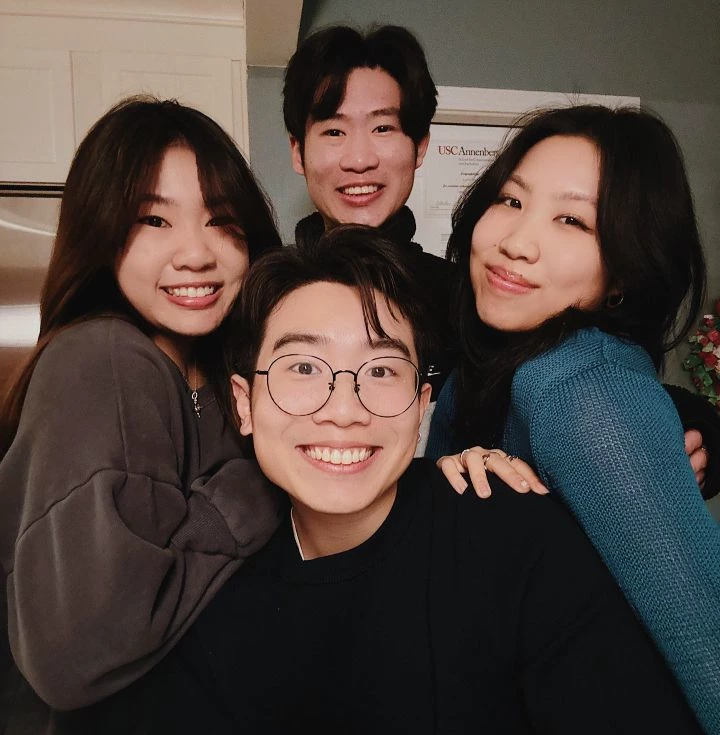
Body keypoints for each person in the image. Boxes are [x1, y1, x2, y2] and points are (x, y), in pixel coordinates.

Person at [51, 226, 703, 734]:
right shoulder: (210, 583)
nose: (344, 409)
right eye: (303, 368)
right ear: (245, 404)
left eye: (381, 371)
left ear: (421, 407)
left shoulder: (512, 536)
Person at [283, 22, 718, 492]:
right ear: (298, 152)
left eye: (383, 127)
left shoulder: (470, 295)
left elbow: (585, 375)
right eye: (333, 131)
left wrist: (698, 429)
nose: (359, 159)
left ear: (420, 146)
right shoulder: (264, 292)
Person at [426, 105, 720, 733]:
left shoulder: (576, 385)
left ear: (622, 274)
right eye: (511, 200)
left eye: (572, 220)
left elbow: (707, 640)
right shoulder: (477, 376)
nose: (517, 242)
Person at [0, 96, 282, 724]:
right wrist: (255, 490)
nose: (196, 254)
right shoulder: (105, 359)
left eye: (220, 219)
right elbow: (79, 650)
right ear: (101, 232)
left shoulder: (221, 370)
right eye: (154, 220)